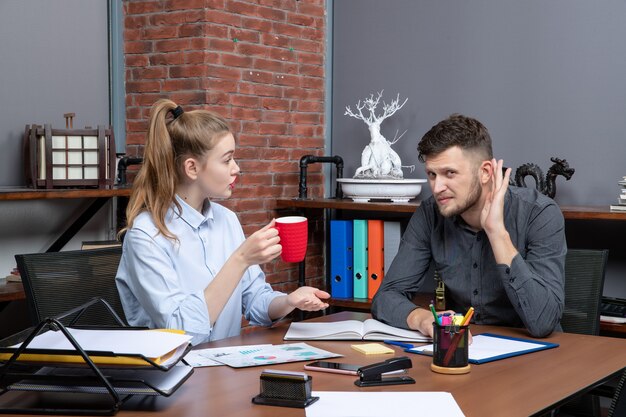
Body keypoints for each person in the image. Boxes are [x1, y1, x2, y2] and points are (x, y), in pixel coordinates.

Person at [116, 99, 330, 344]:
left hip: (223, 368)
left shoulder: (226, 220)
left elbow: (255, 301)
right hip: (174, 375)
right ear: (192, 168)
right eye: (227, 159)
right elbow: (182, 332)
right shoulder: (146, 235)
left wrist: (288, 301)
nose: (236, 168)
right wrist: (240, 260)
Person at [371, 114, 566, 338]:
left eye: (449, 173)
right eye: (432, 175)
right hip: (464, 349)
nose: (437, 187)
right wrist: (422, 319)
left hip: (538, 357)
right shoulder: (429, 214)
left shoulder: (539, 213)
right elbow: (385, 297)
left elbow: (544, 322)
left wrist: (497, 233)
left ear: (485, 172)